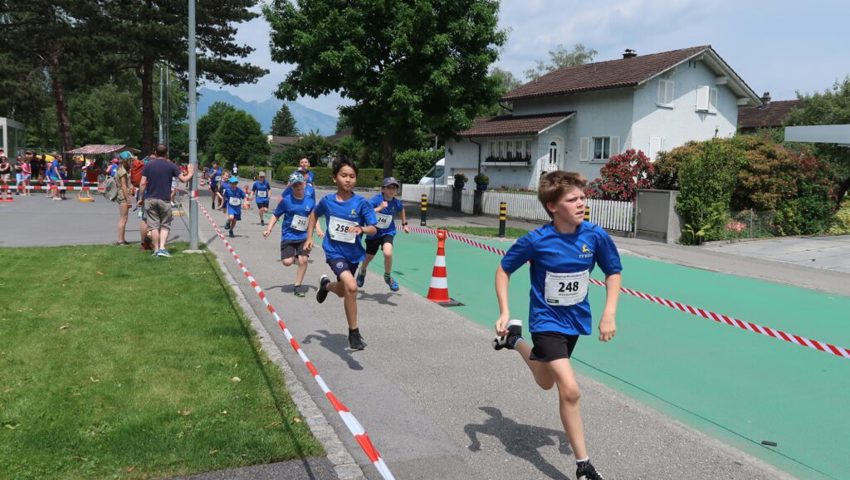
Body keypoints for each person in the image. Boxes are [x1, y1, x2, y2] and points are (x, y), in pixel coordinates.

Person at [492, 171, 621, 480]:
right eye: (572, 199)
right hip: (545, 321)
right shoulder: (537, 240)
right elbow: (503, 269)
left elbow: (613, 272)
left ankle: (514, 341)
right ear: (553, 206)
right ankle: (584, 466)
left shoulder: (595, 236)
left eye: (582, 197)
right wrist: (504, 309)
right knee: (570, 389)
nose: (581, 203)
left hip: (575, 321)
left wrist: (609, 313)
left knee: (545, 380)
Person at [305, 158, 377, 350]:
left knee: (343, 291)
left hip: (353, 254)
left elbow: (374, 228)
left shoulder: (362, 203)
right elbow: (314, 214)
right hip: (334, 251)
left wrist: (362, 229)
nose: (348, 180)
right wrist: (309, 237)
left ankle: (326, 285)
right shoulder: (327, 201)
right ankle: (354, 333)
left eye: (352, 176)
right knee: (352, 287)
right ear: (334, 178)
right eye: (344, 175)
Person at [263, 172, 323, 297]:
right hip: (288, 236)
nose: (298, 187)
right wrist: (269, 228)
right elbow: (276, 215)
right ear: (291, 186)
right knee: (287, 262)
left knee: (304, 259)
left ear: (304, 184)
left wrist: (318, 228)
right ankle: (298, 259)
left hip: (303, 237)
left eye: (300, 184)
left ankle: (297, 286)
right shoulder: (286, 201)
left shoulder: (309, 200)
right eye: (295, 185)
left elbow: (313, 216)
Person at [137, 144, 194, 257]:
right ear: (166, 153)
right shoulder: (171, 166)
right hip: (165, 199)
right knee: (165, 225)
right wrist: (191, 173)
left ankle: (156, 249)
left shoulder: (148, 165)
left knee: (153, 226)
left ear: (155, 152)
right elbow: (183, 179)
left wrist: (141, 198)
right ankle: (163, 247)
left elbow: (142, 184)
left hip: (151, 199)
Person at [356, 177, 410, 291]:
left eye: (394, 188)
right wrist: (379, 208)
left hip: (388, 232)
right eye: (389, 188)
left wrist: (404, 224)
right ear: (383, 189)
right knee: (369, 256)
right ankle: (362, 271)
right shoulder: (376, 199)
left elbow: (402, 209)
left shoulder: (396, 202)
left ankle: (387, 276)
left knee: (388, 253)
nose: (392, 190)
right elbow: (366, 211)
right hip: (374, 232)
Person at [114, 155, 133, 245]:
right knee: (123, 218)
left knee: (124, 218)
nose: (131, 162)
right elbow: (124, 186)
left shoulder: (120, 169)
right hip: (123, 196)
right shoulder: (122, 171)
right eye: (130, 160)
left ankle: (122, 239)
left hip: (121, 195)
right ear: (126, 160)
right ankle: (120, 240)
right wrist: (128, 199)